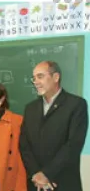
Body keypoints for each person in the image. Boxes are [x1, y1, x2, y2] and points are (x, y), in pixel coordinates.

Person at [19, 61, 88, 191]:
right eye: (34, 78)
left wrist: (46, 174)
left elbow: (73, 144)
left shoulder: (76, 105)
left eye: (40, 76)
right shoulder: (30, 108)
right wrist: (36, 174)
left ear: (56, 77)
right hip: (36, 184)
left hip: (64, 182)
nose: (35, 82)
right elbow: (24, 145)